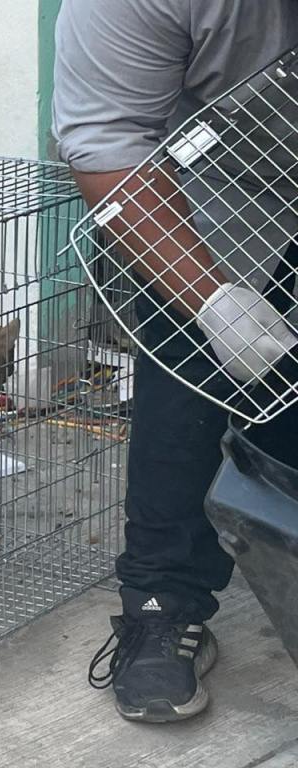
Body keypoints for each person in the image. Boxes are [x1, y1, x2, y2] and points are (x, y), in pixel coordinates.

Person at [52, 1, 298, 723]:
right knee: (189, 364)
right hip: (215, 182)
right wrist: (214, 301)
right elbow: (106, 140)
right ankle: (163, 601)